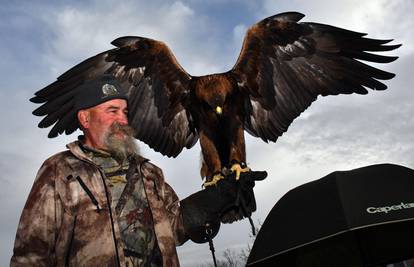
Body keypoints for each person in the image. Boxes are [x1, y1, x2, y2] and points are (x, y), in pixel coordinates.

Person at [11, 75, 266, 267]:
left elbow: (174, 227)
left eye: (124, 111)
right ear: (85, 119)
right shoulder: (60, 171)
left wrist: (217, 198)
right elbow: (31, 256)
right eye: (112, 111)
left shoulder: (148, 173)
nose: (122, 119)